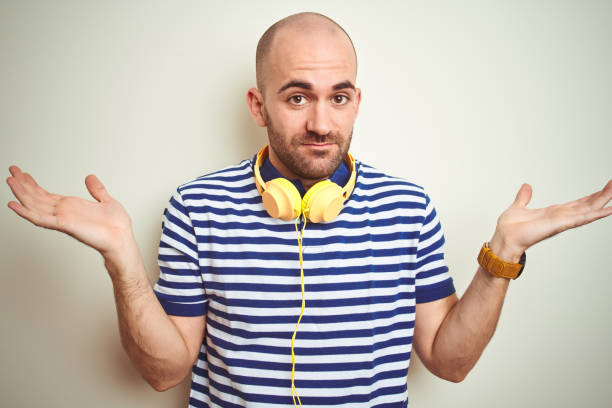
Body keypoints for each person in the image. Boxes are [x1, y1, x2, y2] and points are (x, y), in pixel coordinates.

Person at [5, 11, 611, 408]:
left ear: (355, 101)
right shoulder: (195, 207)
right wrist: (122, 262)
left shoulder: (409, 206)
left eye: (338, 97)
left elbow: (448, 364)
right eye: (297, 97)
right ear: (258, 104)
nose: (322, 123)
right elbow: (165, 373)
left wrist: (502, 256)